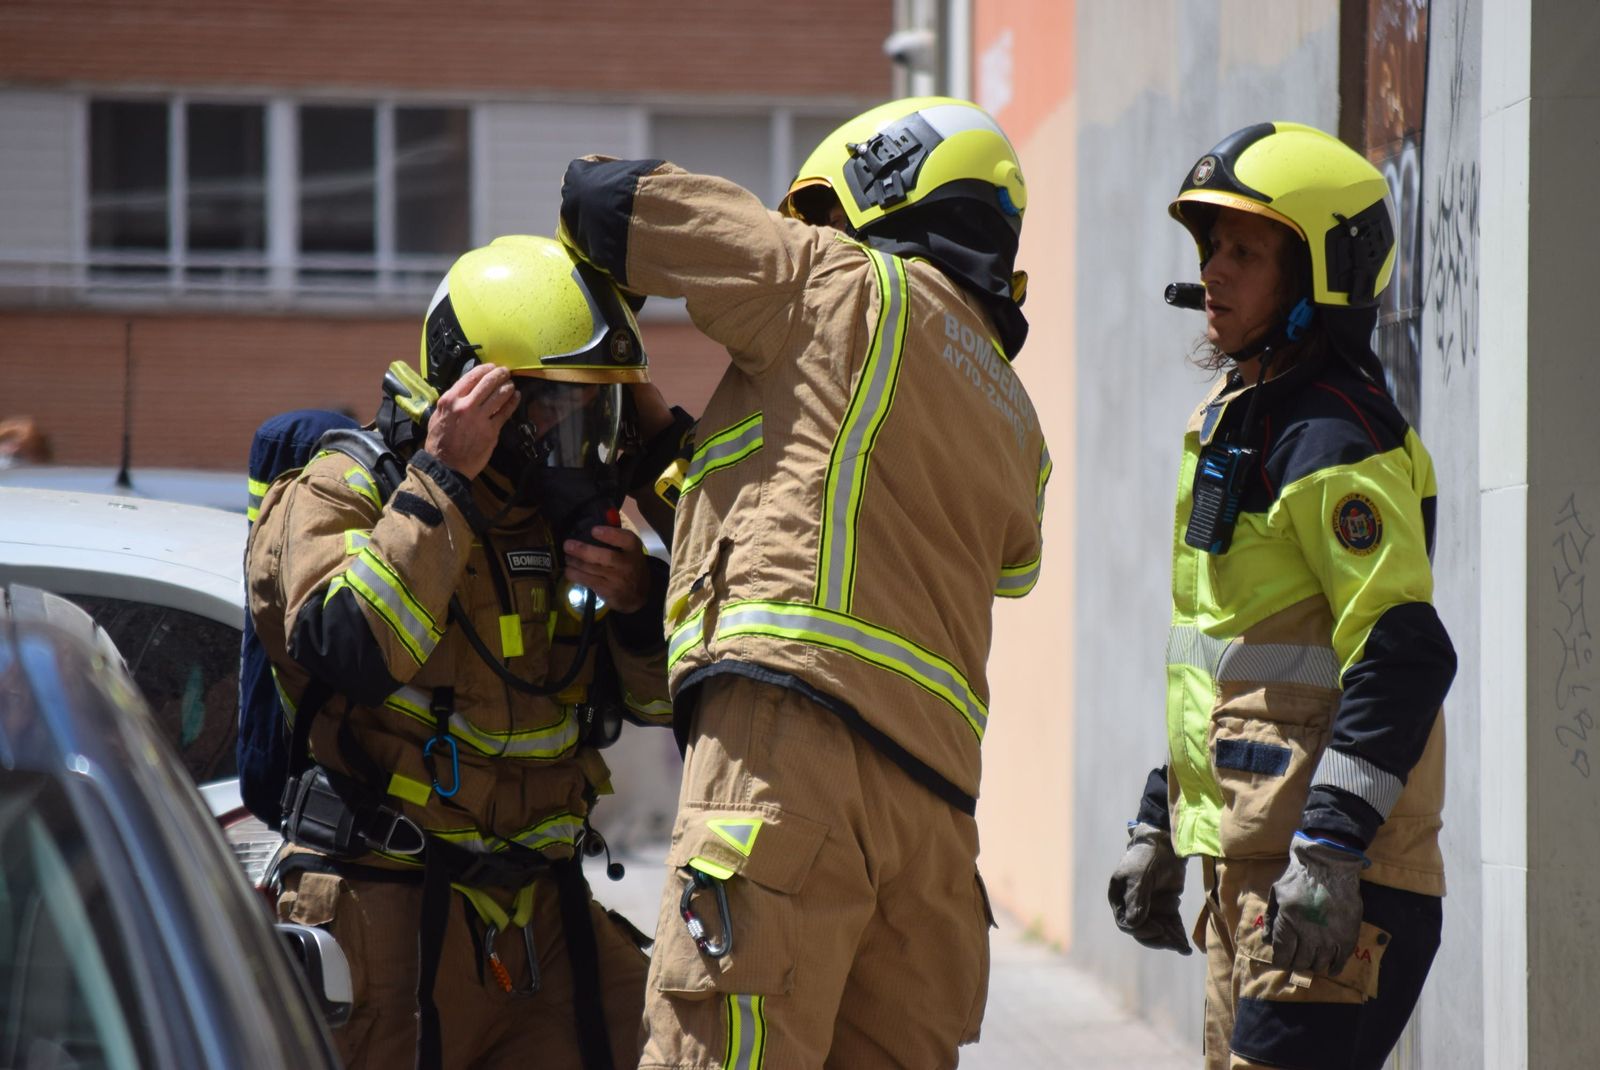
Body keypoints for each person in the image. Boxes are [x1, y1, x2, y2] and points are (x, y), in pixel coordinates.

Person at [559, 96, 1049, 1068]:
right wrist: (668, 451)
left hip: (788, 760)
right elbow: (861, 519)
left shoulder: (838, 282)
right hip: (936, 822)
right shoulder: (1013, 414)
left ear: (875, 189)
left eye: (817, 214)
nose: (805, 235)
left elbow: (606, 199)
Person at [246, 234, 685, 1070]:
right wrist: (441, 484)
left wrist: (636, 606)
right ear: (481, 395)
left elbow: (666, 708)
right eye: (560, 411)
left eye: (598, 413)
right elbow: (349, 648)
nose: (582, 442)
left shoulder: (558, 525)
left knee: (683, 1044)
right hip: (387, 904)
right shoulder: (350, 491)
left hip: (541, 914)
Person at [1106, 121, 1456, 1070]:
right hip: (1258, 863)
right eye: (1211, 246)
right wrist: (1164, 820)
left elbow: (1405, 651)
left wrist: (1333, 849)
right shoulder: (1239, 419)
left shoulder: (1334, 437)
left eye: (1246, 251)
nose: (1214, 271)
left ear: (1318, 277)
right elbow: (1226, 656)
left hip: (1332, 869)